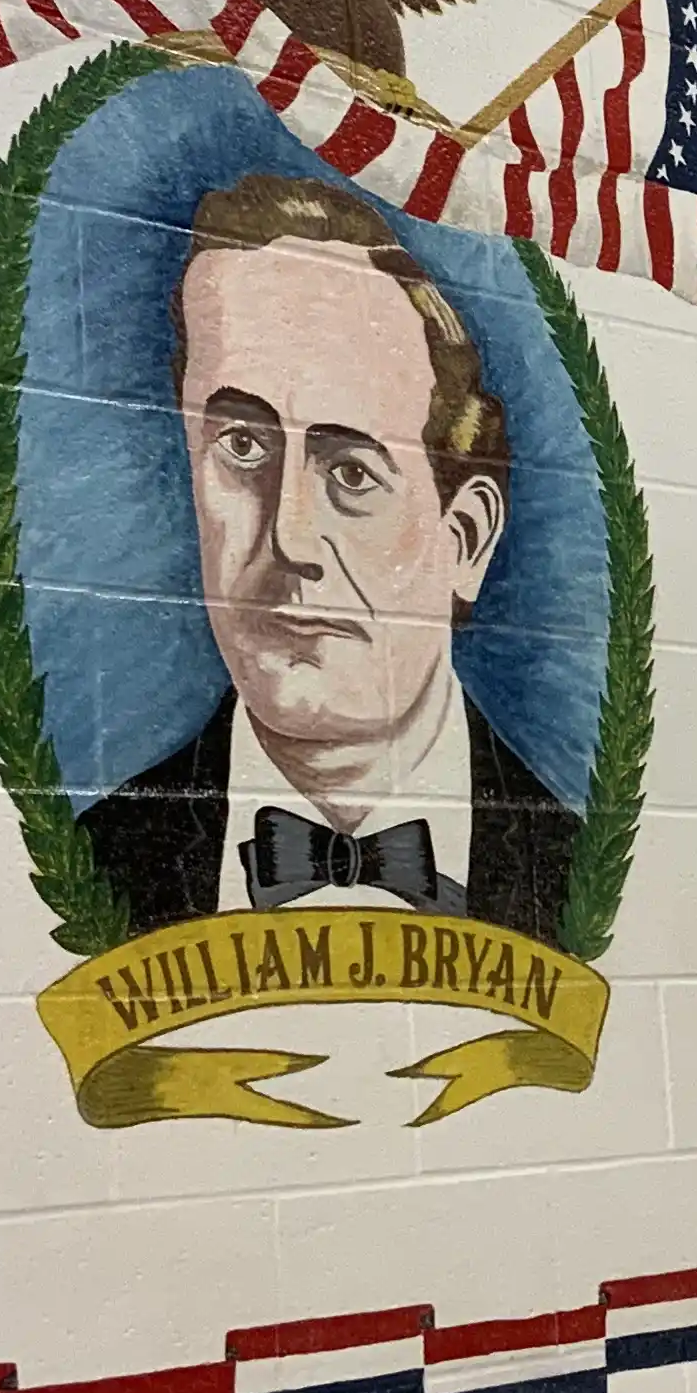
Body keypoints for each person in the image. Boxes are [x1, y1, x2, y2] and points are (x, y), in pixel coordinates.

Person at [81, 171, 576, 944]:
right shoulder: (91, 867)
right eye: (241, 447)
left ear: (465, 538)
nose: (291, 538)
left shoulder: (578, 868)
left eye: (353, 473)